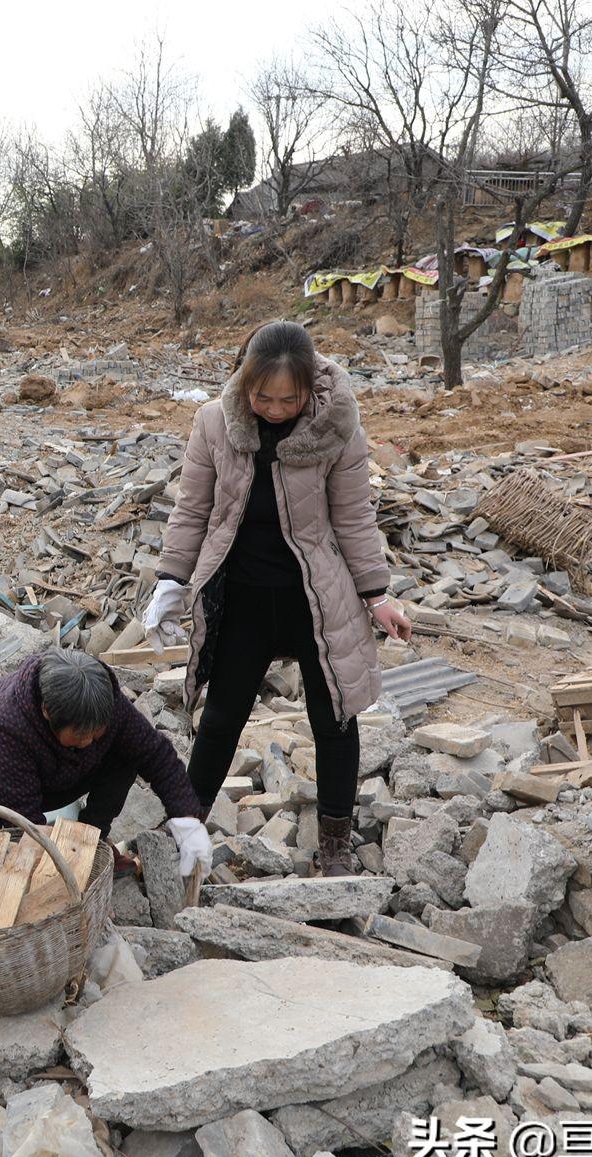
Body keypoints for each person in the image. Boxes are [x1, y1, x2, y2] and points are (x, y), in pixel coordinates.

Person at [145, 320, 409, 878]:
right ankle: (185, 831)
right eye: (261, 396)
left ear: (310, 389)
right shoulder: (215, 423)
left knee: (334, 718)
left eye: (288, 399)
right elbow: (193, 510)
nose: (273, 408)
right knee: (219, 720)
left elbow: (355, 516)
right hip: (241, 595)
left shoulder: (339, 429)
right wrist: (171, 578)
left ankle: (336, 842)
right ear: (244, 382)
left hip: (315, 599)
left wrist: (377, 594)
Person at [0, 648, 213, 879]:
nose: (89, 741)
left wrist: (188, 820)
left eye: (95, 733)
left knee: (129, 752)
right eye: (79, 734)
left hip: (54, 775)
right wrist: (51, 877)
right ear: (47, 712)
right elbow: (22, 813)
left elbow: (156, 754)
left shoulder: (104, 700)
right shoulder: (10, 721)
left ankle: (91, 842)